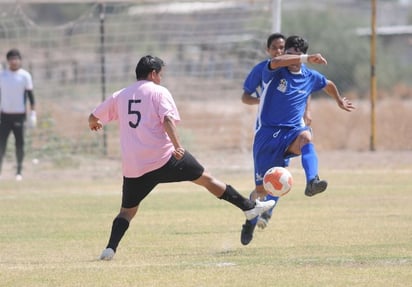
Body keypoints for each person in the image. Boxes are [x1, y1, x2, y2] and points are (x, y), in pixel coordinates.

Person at [88, 55, 276, 260]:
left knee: (126, 211)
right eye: (160, 74)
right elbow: (167, 119)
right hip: (165, 158)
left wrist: (94, 124)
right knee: (207, 179)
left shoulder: (121, 95)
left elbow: (93, 117)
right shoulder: (159, 92)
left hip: (135, 166)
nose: (161, 78)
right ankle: (248, 208)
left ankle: (110, 249)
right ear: (153, 74)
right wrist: (179, 147)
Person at [240, 35, 355, 245]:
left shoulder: (310, 76)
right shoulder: (273, 70)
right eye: (290, 54)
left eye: (293, 54)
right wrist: (306, 57)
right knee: (261, 190)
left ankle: (312, 181)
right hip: (267, 135)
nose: (292, 58)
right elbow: (275, 62)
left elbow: (327, 84)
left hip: (292, 132)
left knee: (306, 136)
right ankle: (250, 219)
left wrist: (338, 100)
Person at [241, 33, 312, 230]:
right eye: (275, 48)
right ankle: (254, 209)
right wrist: (264, 101)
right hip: (266, 129)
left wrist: (308, 110)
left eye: (282, 48)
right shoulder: (265, 69)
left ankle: (268, 212)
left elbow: (305, 88)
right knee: (263, 180)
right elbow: (245, 96)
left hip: (289, 128)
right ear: (268, 50)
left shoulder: (297, 68)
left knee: (280, 173)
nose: (279, 51)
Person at [0, 48, 36, 181]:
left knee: (19, 143)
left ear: (20, 60)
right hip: (4, 115)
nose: (14, 62)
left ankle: (19, 172)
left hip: (19, 115)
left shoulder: (25, 76)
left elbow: (31, 96)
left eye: (16, 59)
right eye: (11, 59)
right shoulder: (2, 75)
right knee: (1, 144)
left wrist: (32, 113)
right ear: (8, 61)